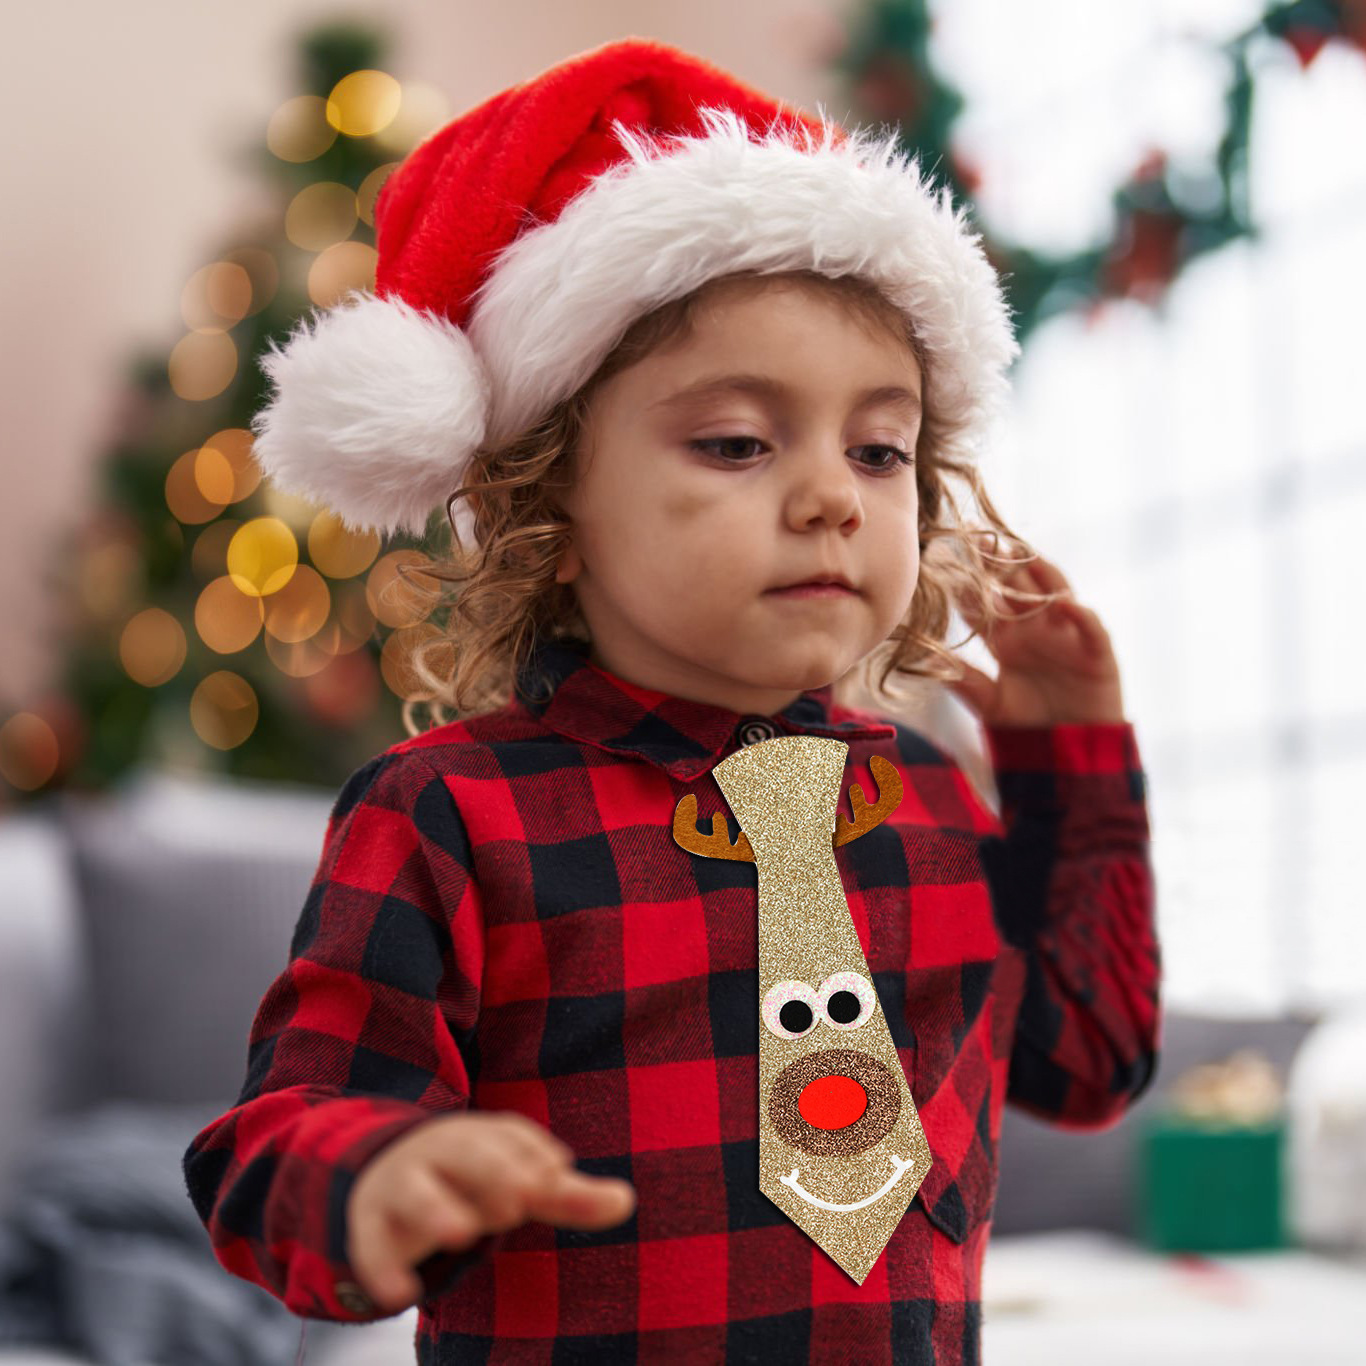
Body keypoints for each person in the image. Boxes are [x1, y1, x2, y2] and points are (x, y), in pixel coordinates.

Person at [182, 36, 1161, 1364]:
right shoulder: (449, 814)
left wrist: (1069, 757)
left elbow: (1086, 1060)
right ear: (552, 512)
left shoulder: (926, 795)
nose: (830, 494)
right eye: (737, 442)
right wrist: (378, 1175)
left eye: (879, 448)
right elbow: (275, 1139)